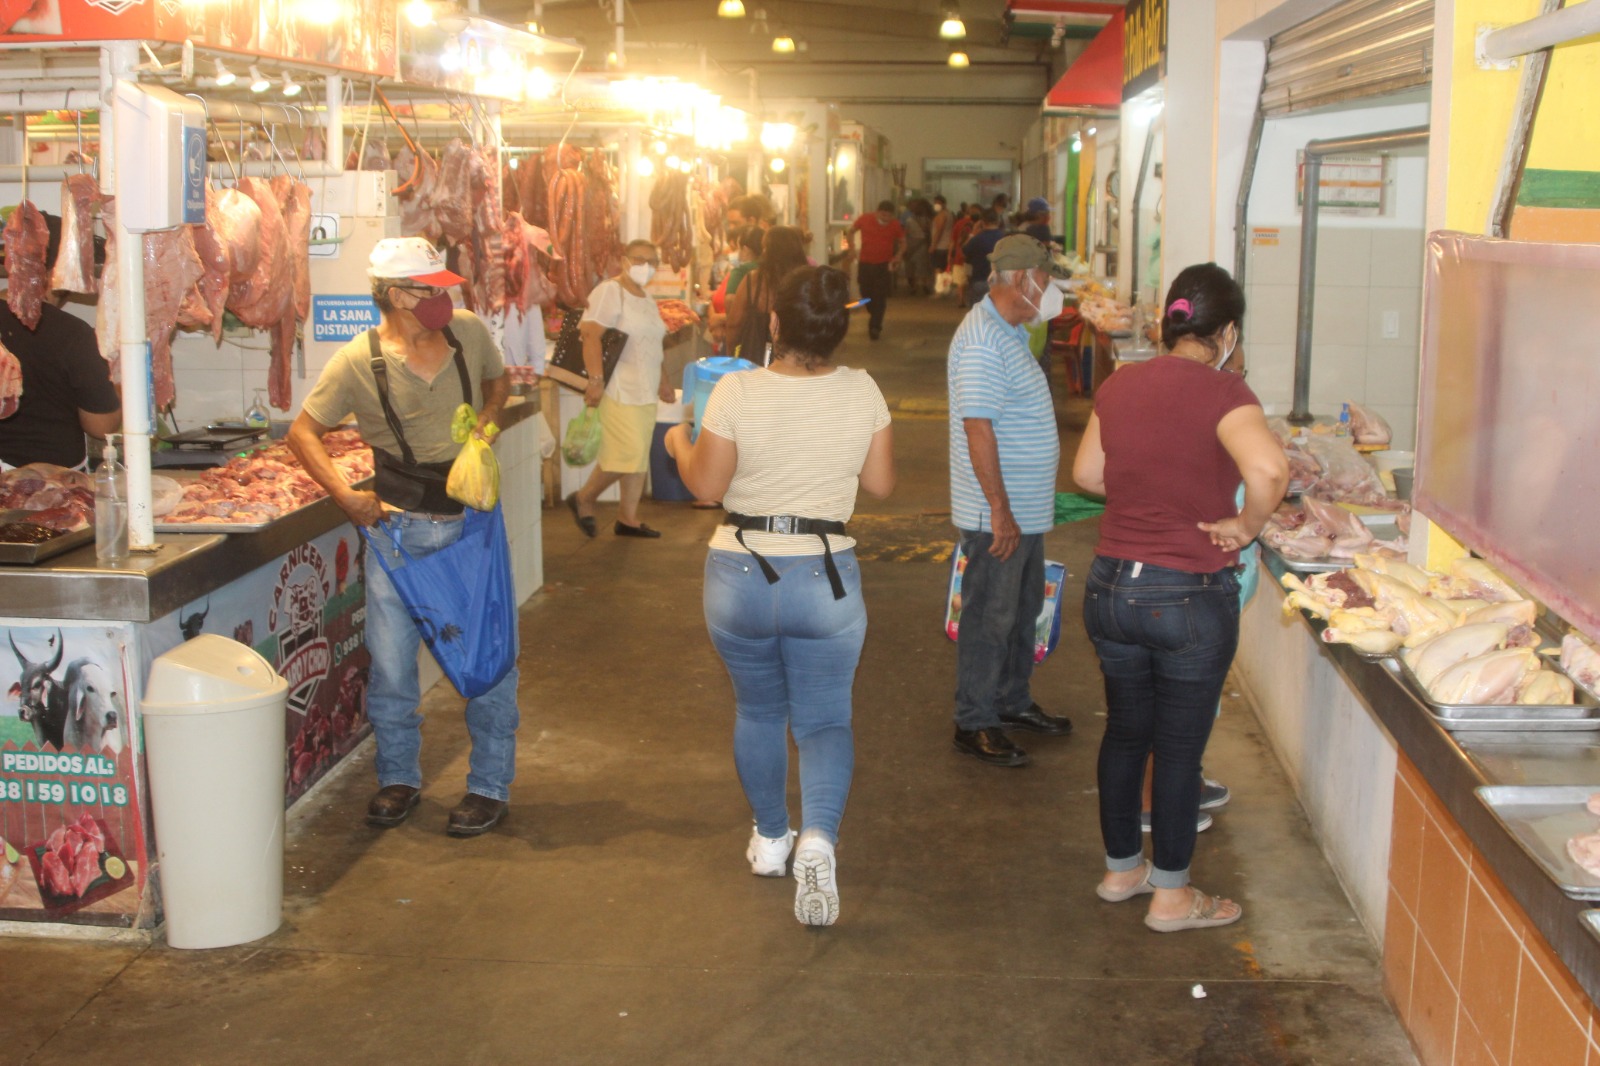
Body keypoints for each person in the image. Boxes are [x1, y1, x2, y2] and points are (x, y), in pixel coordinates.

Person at [666, 265, 894, 926]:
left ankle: (771, 840)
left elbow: (706, 487)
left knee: (759, 711)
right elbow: (879, 483)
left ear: (773, 325)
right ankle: (818, 838)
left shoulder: (737, 390)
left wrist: (681, 441)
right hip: (824, 577)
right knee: (823, 720)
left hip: (740, 572)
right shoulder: (863, 391)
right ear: (839, 332)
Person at [1071, 263, 1287, 932]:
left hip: (1111, 587)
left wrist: (1148, 488)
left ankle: (1121, 870)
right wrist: (1246, 524)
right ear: (1225, 332)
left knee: (1128, 732)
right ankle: (1171, 896)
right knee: (1179, 747)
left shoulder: (1122, 382)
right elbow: (1270, 470)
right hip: (1186, 595)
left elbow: (1086, 473)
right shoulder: (1227, 390)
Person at [287, 237, 520, 837]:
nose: (444, 296)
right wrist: (346, 496)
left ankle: (489, 785)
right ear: (396, 296)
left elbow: (499, 384)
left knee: (489, 661)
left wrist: (487, 425)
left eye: (443, 286)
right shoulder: (357, 362)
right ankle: (398, 778)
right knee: (392, 669)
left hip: (474, 527)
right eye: (429, 288)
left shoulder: (467, 333)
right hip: (396, 533)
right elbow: (304, 432)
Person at [947, 235, 1073, 768]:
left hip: (1023, 510)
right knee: (989, 619)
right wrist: (998, 509)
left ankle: (1011, 701)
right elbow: (978, 429)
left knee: (1023, 613)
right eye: (1046, 280)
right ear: (1022, 280)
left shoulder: (1011, 330)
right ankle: (974, 720)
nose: (1051, 291)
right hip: (997, 513)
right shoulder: (981, 339)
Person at [566, 239, 676, 538]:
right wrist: (596, 381)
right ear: (624, 260)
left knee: (637, 456)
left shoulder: (646, 298)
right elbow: (590, 335)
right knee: (626, 453)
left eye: (652, 261)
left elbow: (653, 345)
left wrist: (664, 380)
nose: (646, 266)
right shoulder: (610, 292)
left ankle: (628, 518)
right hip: (619, 388)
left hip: (646, 388)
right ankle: (583, 498)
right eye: (639, 259)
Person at [0, 214, 118, 469]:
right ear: (58, 269)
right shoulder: (73, 334)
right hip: (52, 486)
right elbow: (102, 426)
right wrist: (124, 381)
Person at [726, 225, 809, 364]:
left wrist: (731, 353)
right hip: (797, 363)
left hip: (754, 361)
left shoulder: (753, 281)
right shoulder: (806, 283)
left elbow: (734, 324)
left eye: (764, 247)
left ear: (769, 251)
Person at [847, 200, 905, 341]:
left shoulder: (895, 225)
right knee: (866, 291)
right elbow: (851, 231)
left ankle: (875, 326)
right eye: (883, 215)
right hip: (865, 263)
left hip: (884, 265)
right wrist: (852, 248)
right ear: (877, 212)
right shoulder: (865, 219)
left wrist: (898, 256)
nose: (886, 218)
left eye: (889, 216)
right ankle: (874, 313)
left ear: (892, 216)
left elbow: (903, 242)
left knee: (880, 295)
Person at [961, 209, 1005, 308]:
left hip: (979, 280)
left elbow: (964, 251)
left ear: (982, 222)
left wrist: (972, 233)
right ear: (998, 221)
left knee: (978, 315)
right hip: (1001, 282)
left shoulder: (976, 239)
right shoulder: (1005, 238)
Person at [929, 195, 954, 276]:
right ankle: (944, 287)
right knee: (945, 270)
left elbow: (939, 231)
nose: (936, 205)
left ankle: (939, 287)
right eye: (935, 203)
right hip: (947, 245)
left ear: (944, 204)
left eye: (938, 203)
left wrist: (933, 245)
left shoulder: (942, 215)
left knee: (938, 269)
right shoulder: (950, 214)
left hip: (940, 246)